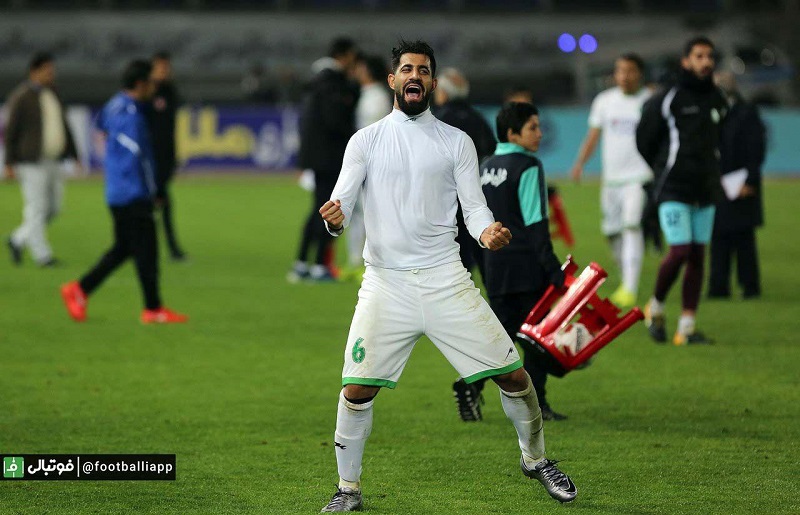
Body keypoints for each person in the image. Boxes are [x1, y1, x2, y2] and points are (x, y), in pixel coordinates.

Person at [317, 40, 576, 512]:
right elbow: (342, 206)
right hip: (385, 284)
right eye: (406, 69)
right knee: (356, 389)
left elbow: (474, 209)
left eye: (424, 70)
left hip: (445, 280)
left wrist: (488, 233)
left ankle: (536, 460)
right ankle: (347, 490)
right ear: (394, 80)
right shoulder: (366, 140)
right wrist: (334, 218)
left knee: (515, 378)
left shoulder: (456, 142)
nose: (414, 76)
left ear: (434, 83)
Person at [455, 102, 568, 424]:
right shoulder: (529, 165)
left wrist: (484, 266)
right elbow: (535, 224)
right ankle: (539, 405)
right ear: (512, 133)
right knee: (535, 341)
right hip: (527, 267)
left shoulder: (484, 165)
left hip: (495, 265)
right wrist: (552, 268)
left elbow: (470, 222)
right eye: (533, 127)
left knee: (500, 337)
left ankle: (469, 384)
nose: (540, 133)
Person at [60, 59, 188, 324]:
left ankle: (82, 291)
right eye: (151, 81)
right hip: (133, 192)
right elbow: (140, 158)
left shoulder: (113, 105)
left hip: (116, 190)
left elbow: (101, 129)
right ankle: (151, 308)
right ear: (140, 84)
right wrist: (155, 190)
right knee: (146, 250)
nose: (155, 86)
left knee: (126, 248)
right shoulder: (132, 116)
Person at [636, 36, 728, 345]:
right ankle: (656, 306)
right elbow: (645, 137)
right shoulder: (669, 97)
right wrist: (663, 169)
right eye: (699, 56)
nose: (706, 62)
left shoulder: (717, 98)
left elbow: (721, 139)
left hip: (706, 189)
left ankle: (687, 327)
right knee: (680, 251)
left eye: (710, 56)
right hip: (673, 187)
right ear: (686, 61)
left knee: (698, 256)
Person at [570, 54, 652, 308]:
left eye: (629, 71)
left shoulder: (650, 101)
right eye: (620, 71)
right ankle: (627, 271)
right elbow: (593, 136)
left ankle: (629, 287)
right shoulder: (605, 102)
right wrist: (580, 163)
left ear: (639, 73)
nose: (624, 76)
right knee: (612, 232)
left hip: (639, 177)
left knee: (631, 227)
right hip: (612, 180)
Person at [288, 37, 360, 283]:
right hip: (329, 156)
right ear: (344, 56)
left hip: (316, 155)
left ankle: (301, 263)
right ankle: (319, 264)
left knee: (317, 206)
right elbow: (335, 120)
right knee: (329, 206)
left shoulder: (317, 80)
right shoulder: (333, 82)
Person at [5, 52, 79, 267]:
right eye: (47, 71)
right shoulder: (22, 96)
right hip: (31, 161)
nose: (51, 74)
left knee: (53, 207)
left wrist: (74, 154)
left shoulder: (53, 93)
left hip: (54, 160)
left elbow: (64, 126)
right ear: (34, 72)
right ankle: (43, 256)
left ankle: (18, 238)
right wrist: (9, 162)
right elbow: (11, 131)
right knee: (36, 208)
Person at [433, 67, 497, 281]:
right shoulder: (477, 118)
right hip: (475, 196)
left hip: (444, 198)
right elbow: (491, 153)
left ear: (444, 92)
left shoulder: (437, 121)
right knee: (474, 253)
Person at [708, 72, 766, 299]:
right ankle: (718, 287)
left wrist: (749, 181)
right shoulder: (710, 113)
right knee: (718, 237)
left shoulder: (747, 113)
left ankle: (750, 287)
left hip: (741, 183)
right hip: (716, 183)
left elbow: (756, 151)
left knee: (743, 238)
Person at [339, 53, 392, 279]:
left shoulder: (377, 96)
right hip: (365, 161)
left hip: (372, 162)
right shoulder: (369, 94)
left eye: (360, 68)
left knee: (368, 211)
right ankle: (356, 260)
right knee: (359, 212)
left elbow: (374, 132)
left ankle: (367, 261)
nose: (356, 71)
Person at [147, 51, 187, 261]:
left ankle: (166, 248)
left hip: (165, 156)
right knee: (156, 204)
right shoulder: (146, 93)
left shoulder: (170, 92)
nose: (164, 71)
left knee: (160, 203)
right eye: (160, 67)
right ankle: (170, 248)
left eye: (166, 68)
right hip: (149, 157)